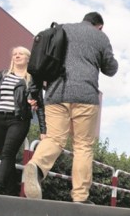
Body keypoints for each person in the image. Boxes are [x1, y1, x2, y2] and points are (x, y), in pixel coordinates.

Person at [22, 11, 118, 203]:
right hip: (85, 95)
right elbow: (110, 69)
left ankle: (37, 165)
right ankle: (80, 196)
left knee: (55, 139)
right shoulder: (100, 36)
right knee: (83, 146)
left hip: (56, 93)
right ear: (99, 25)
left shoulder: (62, 29)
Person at [0, 46, 47, 195]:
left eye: (21, 54)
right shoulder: (2, 75)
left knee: (8, 152)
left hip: (19, 120)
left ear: (28, 59)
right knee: (5, 154)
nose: (17, 56)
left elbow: (40, 106)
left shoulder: (32, 79)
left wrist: (43, 130)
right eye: (15, 54)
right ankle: (11, 191)